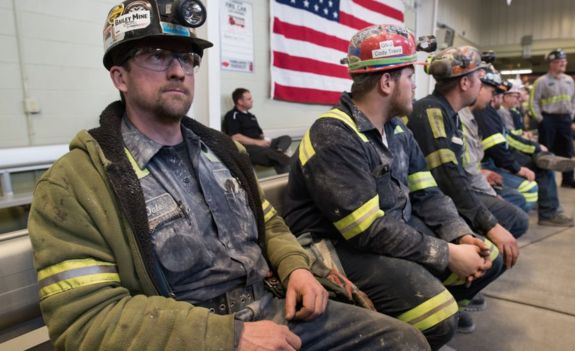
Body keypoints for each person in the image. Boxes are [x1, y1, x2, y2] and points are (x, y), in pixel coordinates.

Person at [27, 2, 431, 350]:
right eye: (156, 55)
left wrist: (296, 267)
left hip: (275, 308)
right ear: (120, 77)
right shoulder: (76, 183)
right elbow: (85, 319)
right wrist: (228, 337)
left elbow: (267, 223)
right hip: (192, 336)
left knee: (406, 342)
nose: (178, 71)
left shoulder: (224, 152)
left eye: (187, 58)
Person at [283, 25, 504, 349]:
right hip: (334, 246)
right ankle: (409, 334)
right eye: (409, 77)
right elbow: (366, 231)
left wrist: (458, 233)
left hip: (391, 229)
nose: (415, 85)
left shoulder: (397, 131)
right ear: (386, 82)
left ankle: (418, 324)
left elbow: (427, 193)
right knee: (437, 314)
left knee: (488, 256)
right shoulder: (334, 135)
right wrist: (446, 253)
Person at [409, 47, 524, 277]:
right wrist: (490, 224)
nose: (481, 86)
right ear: (464, 83)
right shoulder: (432, 112)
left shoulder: (448, 113)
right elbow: (447, 178)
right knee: (506, 228)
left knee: (514, 218)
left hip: (443, 197)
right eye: (479, 79)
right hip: (429, 203)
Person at [474, 69, 575, 227]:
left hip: (497, 160)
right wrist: (517, 168)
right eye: (494, 92)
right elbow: (497, 149)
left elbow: (507, 138)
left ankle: (543, 160)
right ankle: (542, 214)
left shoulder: (490, 111)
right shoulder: (485, 112)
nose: (498, 97)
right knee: (532, 182)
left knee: (540, 163)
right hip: (491, 163)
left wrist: (534, 147)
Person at [458, 69, 537, 214]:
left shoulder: (476, 114)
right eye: (493, 92)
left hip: (479, 173)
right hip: (475, 179)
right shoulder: (473, 114)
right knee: (520, 199)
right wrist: (493, 193)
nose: (494, 98)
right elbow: (494, 148)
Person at [530, 48, 575, 189]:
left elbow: (573, 100)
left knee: (567, 150)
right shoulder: (541, 81)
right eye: (559, 61)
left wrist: (571, 115)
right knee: (546, 151)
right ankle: (545, 181)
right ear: (551, 63)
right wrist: (540, 119)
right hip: (548, 119)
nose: (563, 63)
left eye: (564, 61)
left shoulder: (569, 81)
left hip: (565, 119)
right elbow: (533, 101)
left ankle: (568, 179)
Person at [223, 88, 292, 174]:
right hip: (247, 147)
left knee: (286, 138)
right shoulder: (232, 115)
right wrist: (257, 142)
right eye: (249, 99)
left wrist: (265, 140)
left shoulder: (251, 116)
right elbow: (235, 137)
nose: (252, 101)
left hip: (261, 145)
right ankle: (285, 159)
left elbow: (260, 134)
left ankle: (279, 151)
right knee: (276, 156)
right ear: (240, 101)